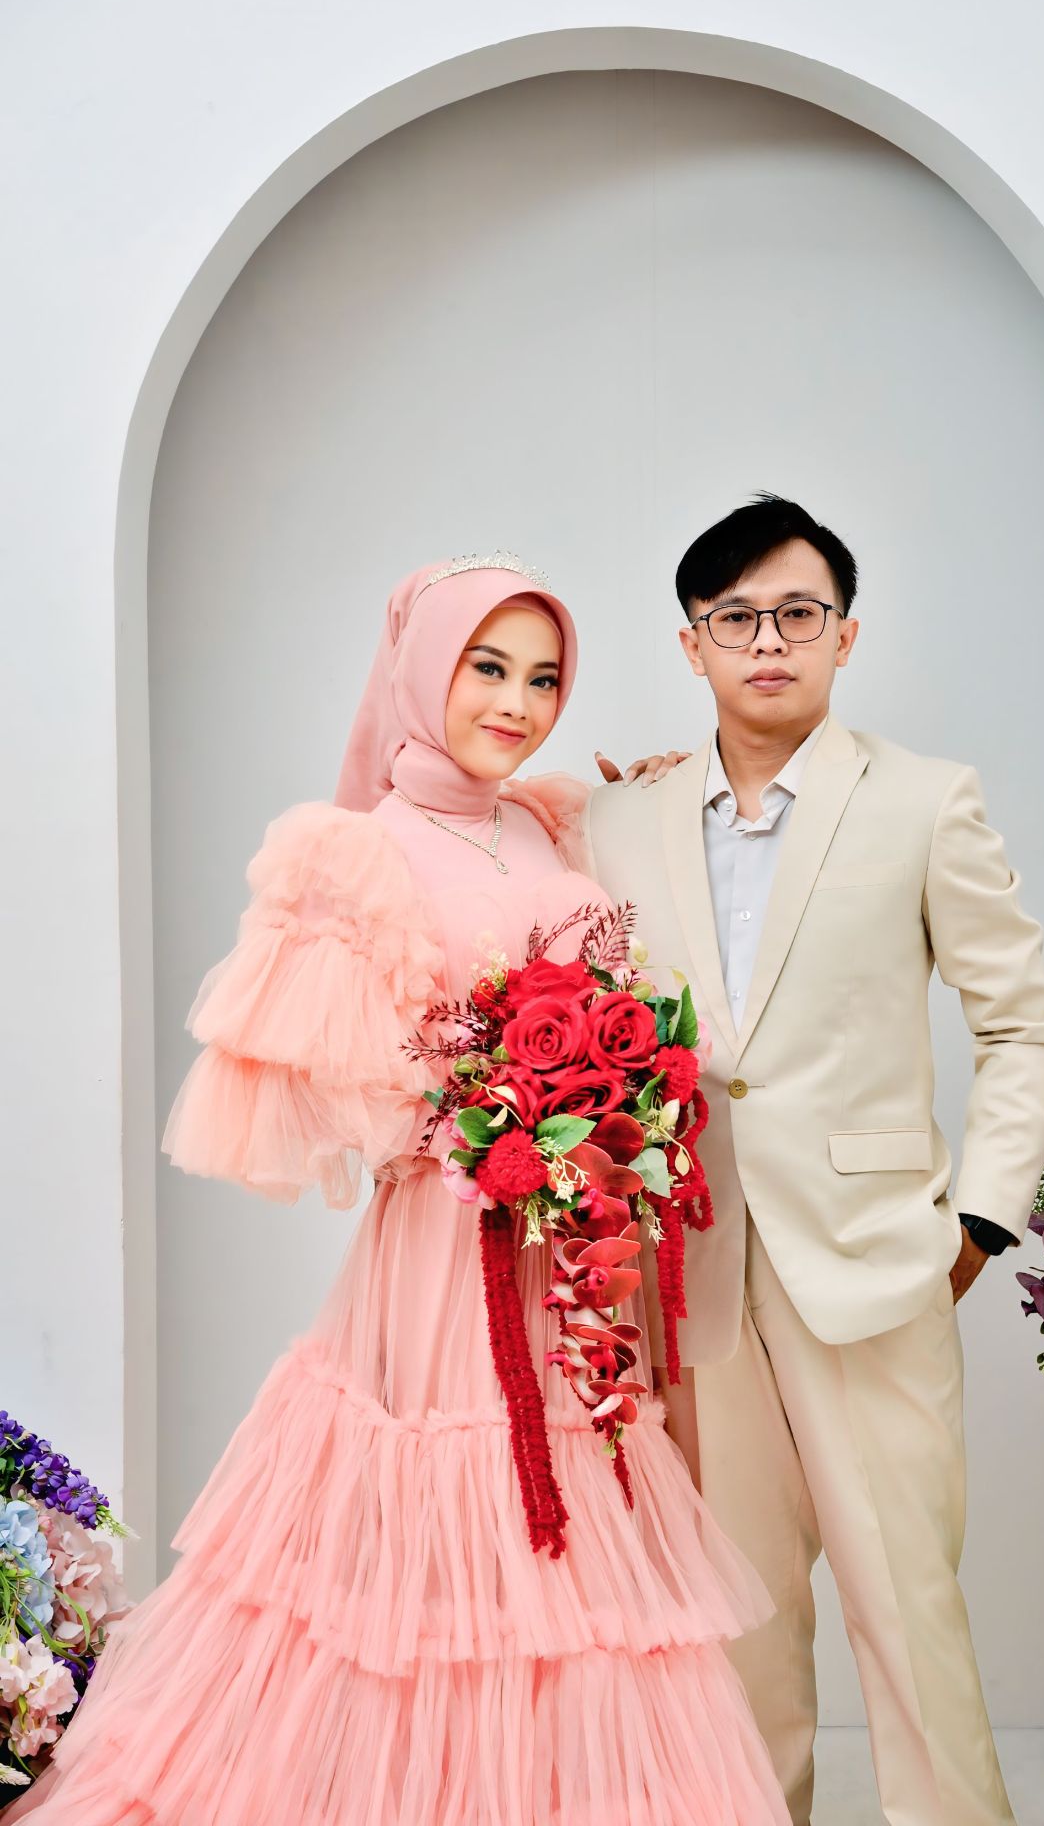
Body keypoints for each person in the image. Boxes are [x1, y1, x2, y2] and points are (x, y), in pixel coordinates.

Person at [11, 553, 789, 1825]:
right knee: (438, 1535)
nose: (517, 704)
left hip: (567, 1264)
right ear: (424, 672)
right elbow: (333, 1094)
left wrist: (599, 1099)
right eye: (488, 669)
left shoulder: (547, 823)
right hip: (444, 1255)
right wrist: (490, 1107)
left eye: (543, 678)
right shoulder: (357, 851)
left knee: (573, 1560)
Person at [581, 495, 1044, 1826]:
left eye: (796, 613)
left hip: (874, 1265)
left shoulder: (922, 801)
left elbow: (1021, 1024)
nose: (767, 641)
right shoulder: (618, 821)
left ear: (844, 635)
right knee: (736, 1627)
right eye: (734, 617)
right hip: (692, 1278)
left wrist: (980, 1221)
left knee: (906, 1611)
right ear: (690, 644)